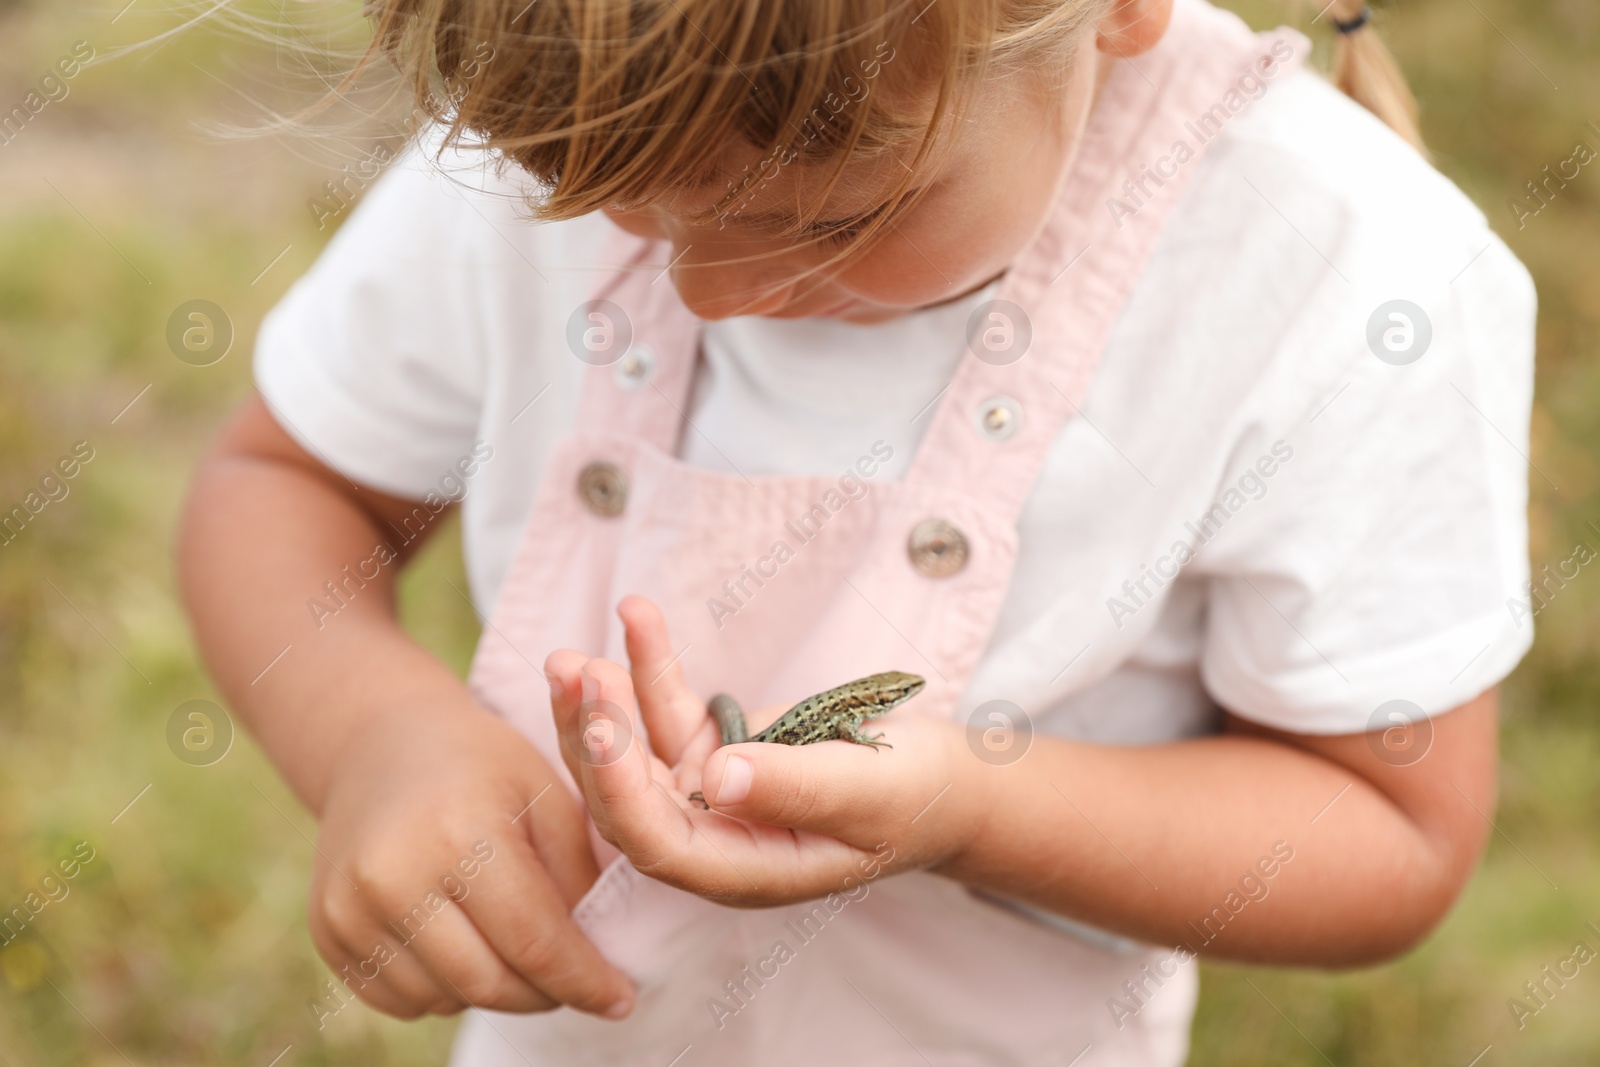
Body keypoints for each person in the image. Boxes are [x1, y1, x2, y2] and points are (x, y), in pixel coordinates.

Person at [178, 0, 1536, 1062]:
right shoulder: (595, 98)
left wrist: (973, 806)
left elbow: (1392, 829)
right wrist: (374, 736)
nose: (708, 290)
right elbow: (280, 486)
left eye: (832, 221)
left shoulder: (1347, 277)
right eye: (620, 210)